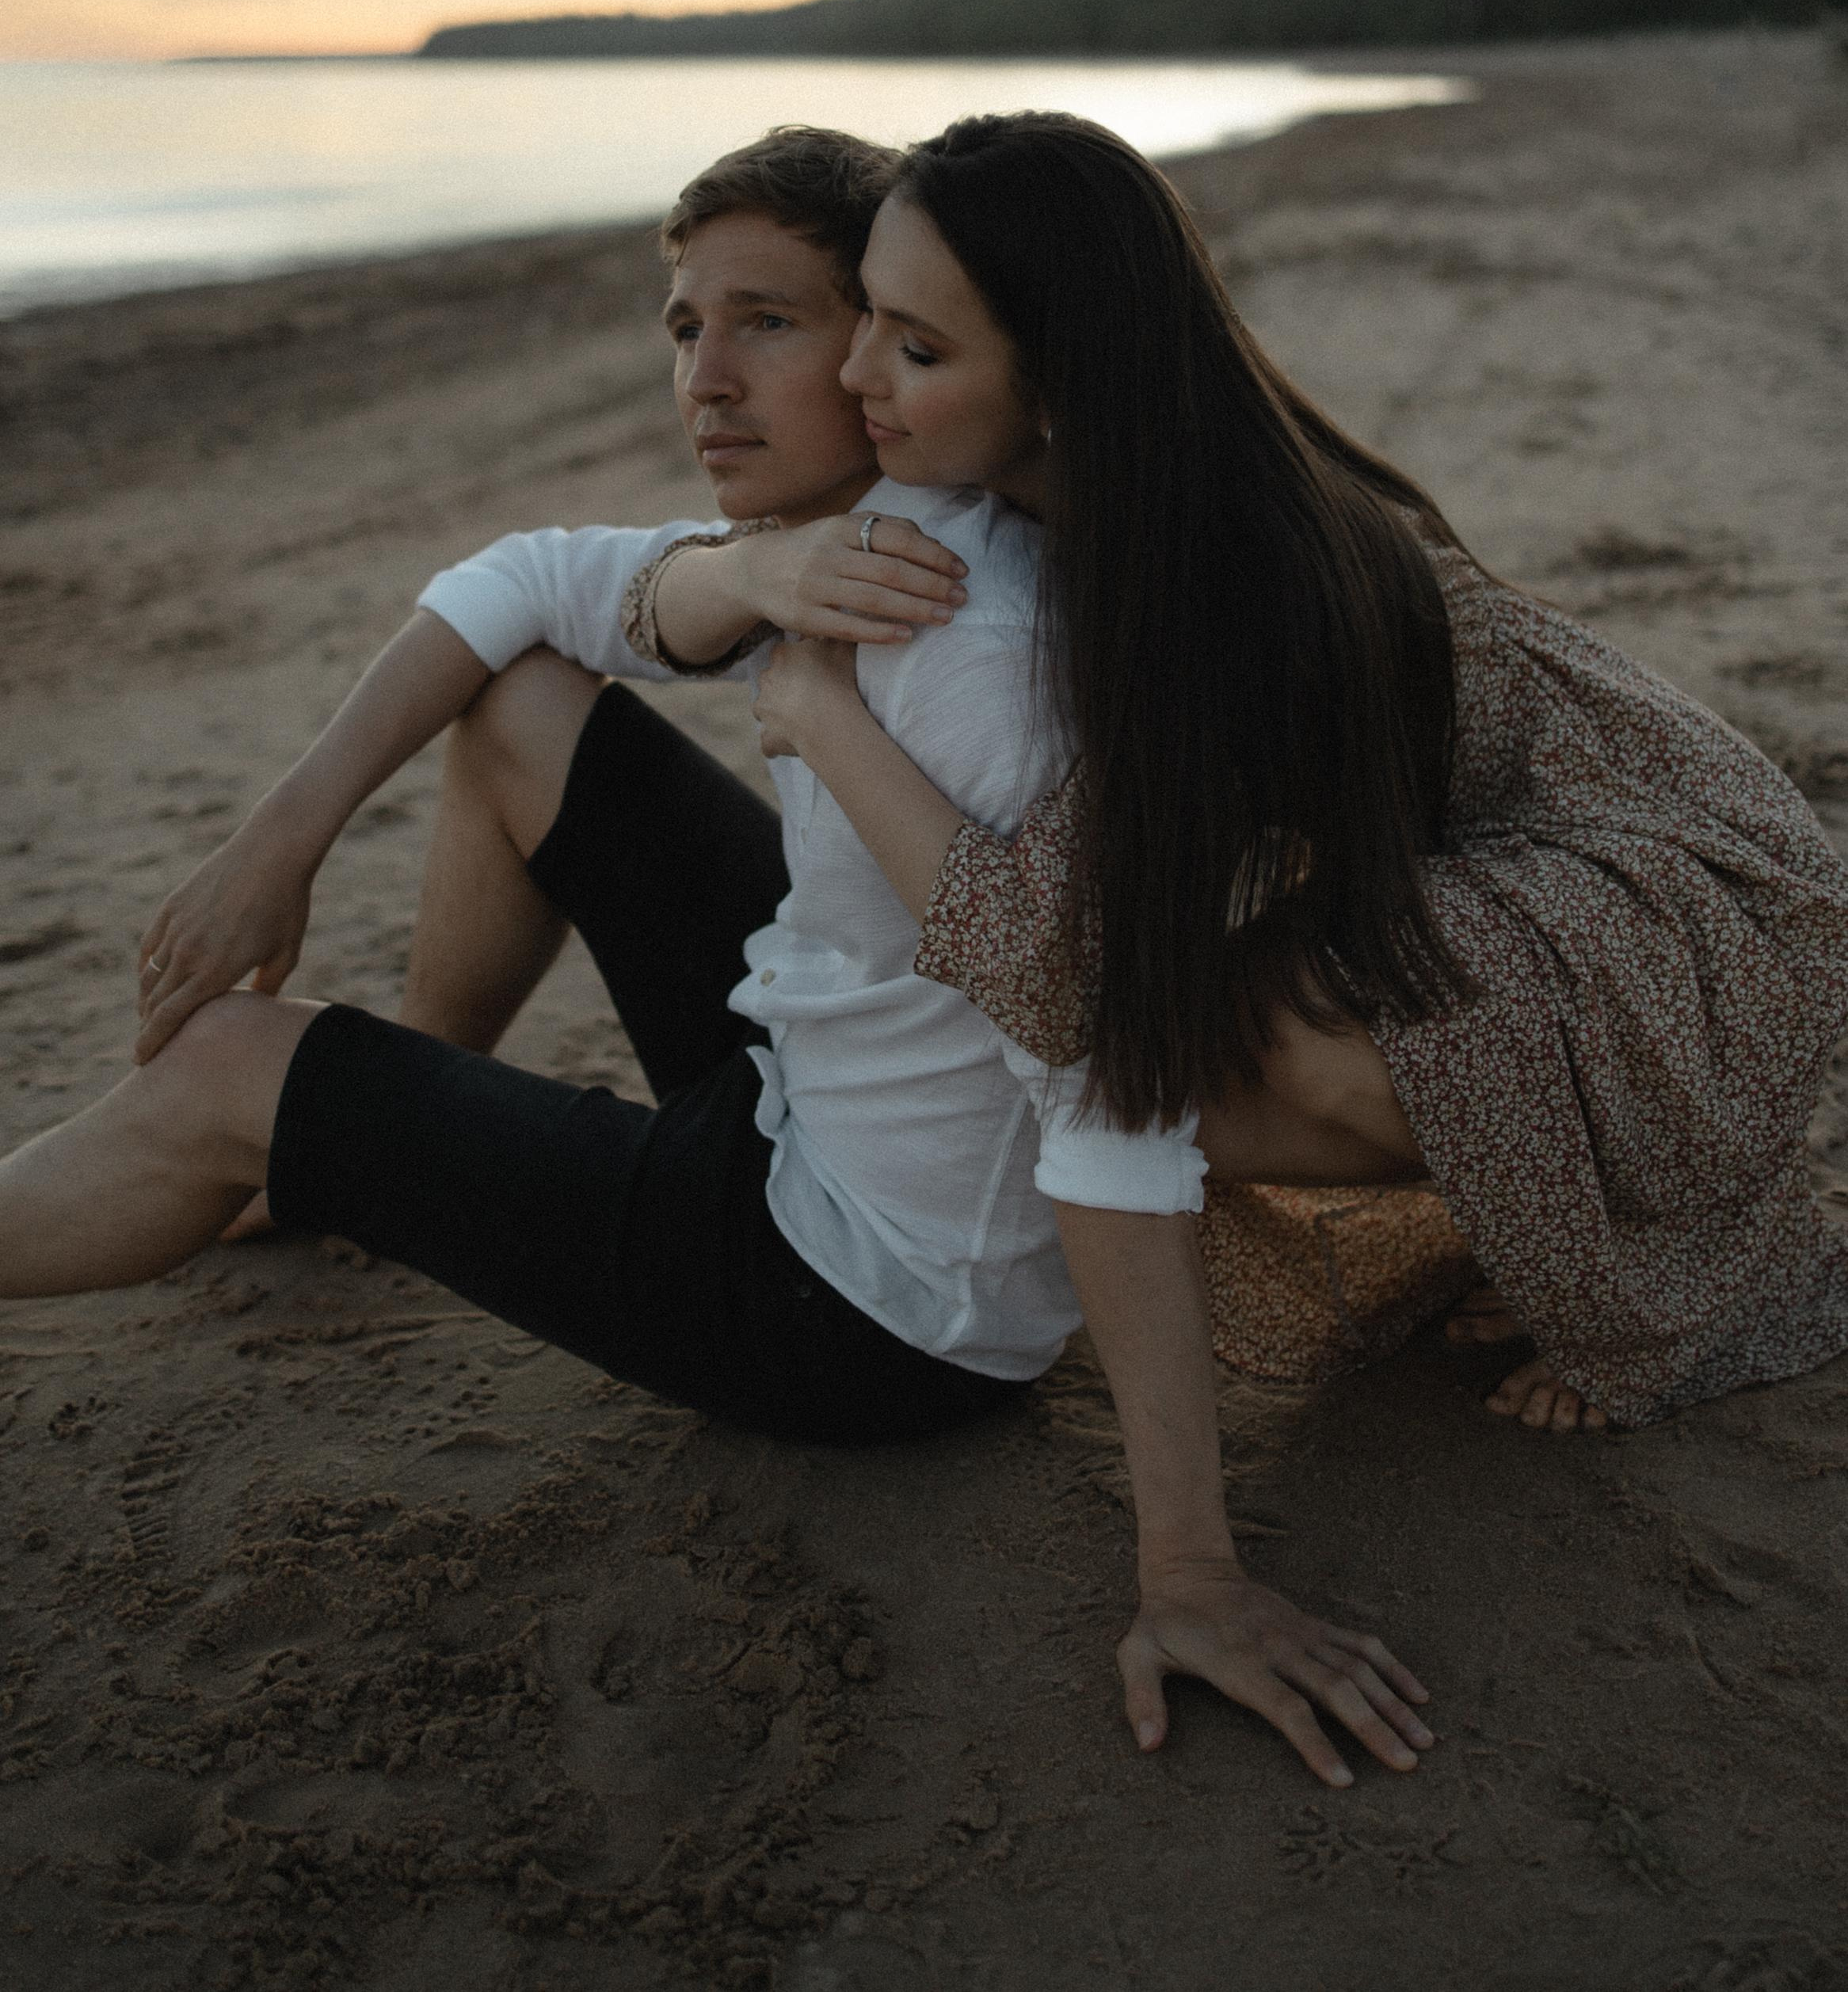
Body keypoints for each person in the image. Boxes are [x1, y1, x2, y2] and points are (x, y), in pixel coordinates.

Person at [0, 118, 1438, 1793]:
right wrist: (283, 834)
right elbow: (529, 579)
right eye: (686, 324)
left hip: (858, 1301)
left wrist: (1188, 1569)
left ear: (906, 343)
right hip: (798, 1087)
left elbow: (1102, 1079)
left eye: (774, 322)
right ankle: (358, 1157)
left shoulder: (965, 651)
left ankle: (299, 1131)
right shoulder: (899, 532)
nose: (708, 378)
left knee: (231, 1065)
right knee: (530, 698)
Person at [750, 107, 1848, 1730]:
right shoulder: (1102, 494)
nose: (853, 378)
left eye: (913, 348)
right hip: (1504, 876)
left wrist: (818, 708)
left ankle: (1684, 1255)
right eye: (862, 317)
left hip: (1684, 908)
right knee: (1189, 1024)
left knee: (1212, 1047)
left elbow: (1064, 990)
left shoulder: (1212, 584)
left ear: (1057, 382)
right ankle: (1538, 1205)